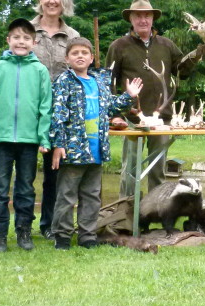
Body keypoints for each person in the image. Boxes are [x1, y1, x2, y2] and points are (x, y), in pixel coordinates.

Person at [105, 0, 205, 197]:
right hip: (131, 119)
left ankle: (156, 215)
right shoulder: (118, 46)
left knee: (157, 171)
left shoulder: (166, 45)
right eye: (138, 16)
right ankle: (125, 217)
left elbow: (182, 72)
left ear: (153, 19)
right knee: (130, 171)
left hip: (161, 119)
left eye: (147, 16)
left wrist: (196, 56)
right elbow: (108, 83)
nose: (143, 20)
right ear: (131, 19)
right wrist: (114, 114)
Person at [49, 38, 142, 250]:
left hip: (96, 151)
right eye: (75, 53)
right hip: (73, 151)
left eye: (84, 53)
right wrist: (58, 143)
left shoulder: (99, 82)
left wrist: (128, 96)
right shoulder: (64, 81)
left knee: (91, 196)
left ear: (91, 58)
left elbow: (110, 108)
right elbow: (58, 115)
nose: (80, 56)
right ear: (67, 58)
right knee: (66, 195)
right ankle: (62, 235)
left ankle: (87, 235)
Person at [0, 18, 52, 252]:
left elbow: (45, 107)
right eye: (16, 37)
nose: (21, 42)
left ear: (34, 41)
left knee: (26, 189)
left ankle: (23, 231)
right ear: (8, 40)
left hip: (29, 141)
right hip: (0, 140)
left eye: (26, 38)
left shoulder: (40, 71)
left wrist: (44, 137)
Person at [30, 0, 80, 240]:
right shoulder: (26, 31)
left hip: (62, 115)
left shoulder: (72, 36)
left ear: (64, 2)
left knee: (55, 172)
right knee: (26, 170)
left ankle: (51, 224)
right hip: (29, 113)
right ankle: (22, 224)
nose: (52, 1)